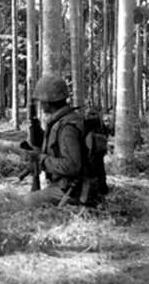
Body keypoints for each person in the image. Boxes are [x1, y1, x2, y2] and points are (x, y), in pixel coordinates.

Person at [22, 74, 104, 207]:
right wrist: (39, 134)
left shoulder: (67, 127)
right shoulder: (65, 120)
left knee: (27, 201)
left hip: (73, 191)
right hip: (69, 185)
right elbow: (57, 147)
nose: (40, 104)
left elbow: (71, 166)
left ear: (47, 102)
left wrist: (41, 159)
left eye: (41, 101)